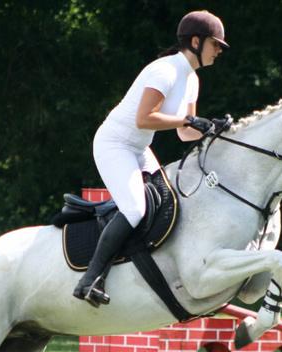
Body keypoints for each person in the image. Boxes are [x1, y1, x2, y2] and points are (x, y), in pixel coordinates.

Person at [73, 10, 232, 307]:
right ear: (195, 42)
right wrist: (189, 120)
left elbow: (185, 133)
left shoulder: (192, 80)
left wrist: (212, 129)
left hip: (138, 148)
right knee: (135, 209)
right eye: (215, 44)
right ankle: (90, 279)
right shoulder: (165, 71)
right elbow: (145, 118)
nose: (219, 50)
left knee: (168, 202)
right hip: (114, 144)